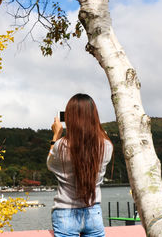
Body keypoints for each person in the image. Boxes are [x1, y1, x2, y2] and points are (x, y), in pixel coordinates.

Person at [47, 93, 113, 237]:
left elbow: (50, 164)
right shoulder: (106, 146)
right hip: (93, 211)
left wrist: (56, 136)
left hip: (65, 212)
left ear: (70, 118)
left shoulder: (61, 146)